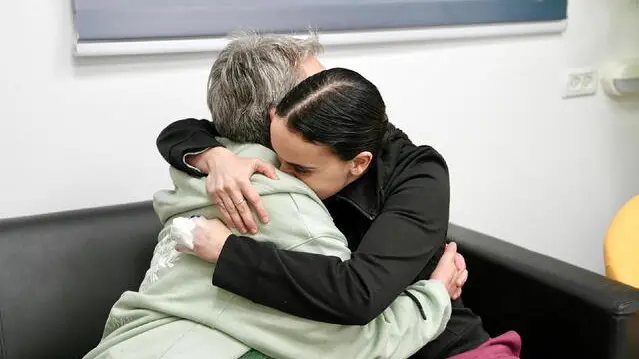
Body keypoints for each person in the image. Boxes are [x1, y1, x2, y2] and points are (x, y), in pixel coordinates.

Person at [83, 34, 468, 359]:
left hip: (446, 344)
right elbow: (183, 130)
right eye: (310, 86)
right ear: (275, 117)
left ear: (357, 163)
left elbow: (356, 298)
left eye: (299, 169)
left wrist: (227, 250)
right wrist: (214, 156)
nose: (323, 89)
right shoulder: (264, 163)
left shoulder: (416, 172)